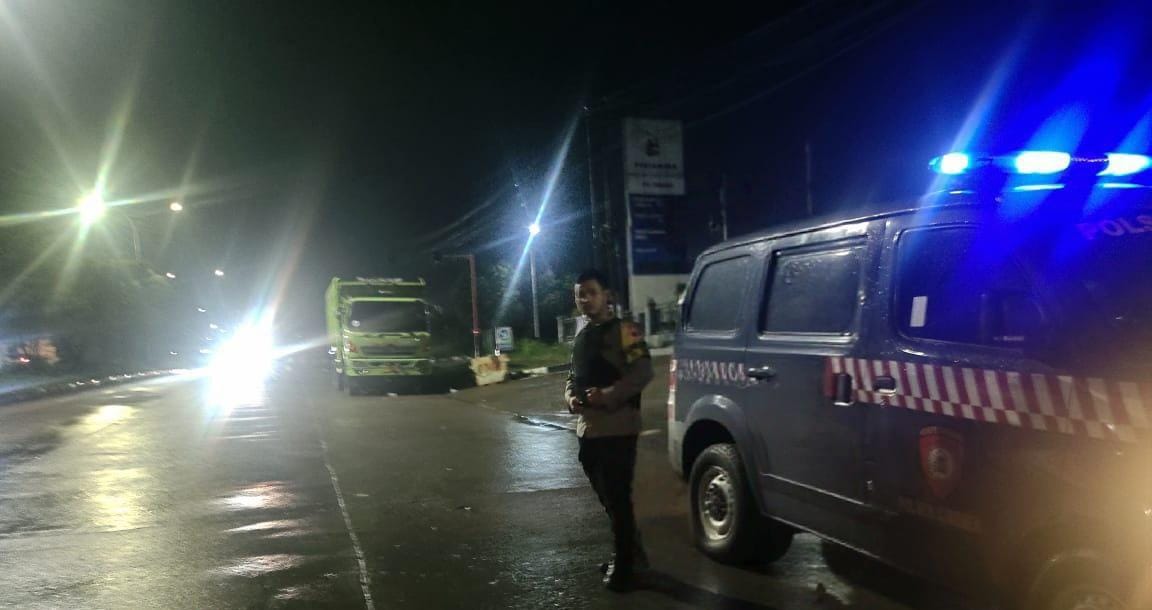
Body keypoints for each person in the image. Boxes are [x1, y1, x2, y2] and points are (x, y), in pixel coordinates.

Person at [564, 269, 654, 592]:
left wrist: (608, 395)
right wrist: (570, 398)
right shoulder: (582, 336)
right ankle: (631, 553)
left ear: (607, 296)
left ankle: (626, 569)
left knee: (618, 499)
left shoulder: (626, 331)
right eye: (580, 294)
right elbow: (572, 377)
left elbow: (643, 372)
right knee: (608, 499)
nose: (585, 299)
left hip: (618, 428)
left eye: (591, 292)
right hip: (588, 430)